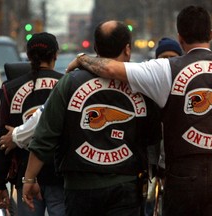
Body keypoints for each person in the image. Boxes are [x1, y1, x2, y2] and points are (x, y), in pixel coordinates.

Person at [66, 5, 212, 216]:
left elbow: (110, 68)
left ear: (180, 38)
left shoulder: (165, 69)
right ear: (211, 34)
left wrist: (82, 58)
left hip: (183, 177)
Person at [22, 20, 161, 216]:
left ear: (95, 48)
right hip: (126, 187)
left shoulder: (69, 83)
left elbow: (45, 135)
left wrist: (29, 179)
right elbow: (153, 137)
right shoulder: (141, 86)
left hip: (80, 190)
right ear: (128, 49)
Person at [0, 32, 65, 216]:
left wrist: (0, 183)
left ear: (28, 56)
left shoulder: (11, 89)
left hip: (25, 175)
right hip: (61, 175)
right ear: (55, 55)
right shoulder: (67, 85)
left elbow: (1, 138)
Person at [146, 37, 183, 216]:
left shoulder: (187, 92)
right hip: (155, 168)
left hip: (181, 170)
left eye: (172, 57)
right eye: (163, 57)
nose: (167, 61)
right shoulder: (148, 91)